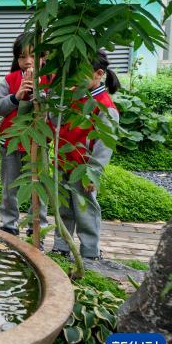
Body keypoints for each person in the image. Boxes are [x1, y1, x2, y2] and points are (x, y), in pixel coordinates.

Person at [52, 51, 120, 260]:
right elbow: (55, 122)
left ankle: (90, 252)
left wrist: (93, 173)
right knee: (63, 208)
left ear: (99, 74)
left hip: (83, 169)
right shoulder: (73, 96)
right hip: (63, 162)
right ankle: (61, 247)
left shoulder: (104, 106)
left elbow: (104, 145)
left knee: (85, 211)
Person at [0, 32, 47, 238]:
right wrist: (16, 97)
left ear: (44, 57)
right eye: (22, 57)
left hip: (38, 145)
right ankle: (9, 227)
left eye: (34, 55)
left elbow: (54, 113)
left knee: (38, 187)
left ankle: (36, 229)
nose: (28, 61)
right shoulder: (10, 79)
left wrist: (41, 96)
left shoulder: (50, 81)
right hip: (11, 144)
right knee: (10, 187)